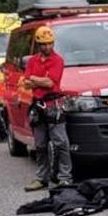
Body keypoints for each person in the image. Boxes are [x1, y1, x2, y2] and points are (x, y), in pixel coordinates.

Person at [23, 26, 72, 191]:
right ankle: (41, 178)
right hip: (38, 105)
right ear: (38, 44)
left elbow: (51, 83)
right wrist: (39, 80)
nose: (48, 47)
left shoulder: (57, 60)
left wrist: (34, 79)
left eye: (50, 43)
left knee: (61, 143)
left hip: (53, 106)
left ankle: (65, 177)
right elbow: (26, 82)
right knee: (40, 144)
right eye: (44, 44)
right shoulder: (32, 61)